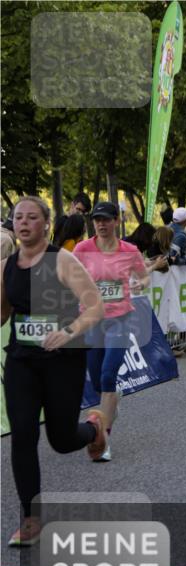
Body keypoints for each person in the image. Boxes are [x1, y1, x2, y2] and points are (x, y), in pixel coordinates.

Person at [2, 196, 107, 546]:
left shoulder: (62, 260)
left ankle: (93, 430)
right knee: (23, 435)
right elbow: (2, 313)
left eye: (32, 217)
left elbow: (95, 306)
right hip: (21, 360)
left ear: (46, 223)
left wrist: (69, 332)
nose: (24, 222)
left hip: (63, 359)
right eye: (18, 217)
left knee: (61, 440)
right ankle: (32, 518)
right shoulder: (6, 265)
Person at [73, 201, 151, 461]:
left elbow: (144, 275)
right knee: (97, 381)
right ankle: (111, 398)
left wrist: (142, 282)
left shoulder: (130, 250)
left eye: (106, 219)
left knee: (108, 374)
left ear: (116, 221)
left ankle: (102, 438)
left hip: (120, 319)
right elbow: (68, 275)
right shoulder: (82, 249)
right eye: (97, 220)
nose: (101, 224)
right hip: (91, 319)